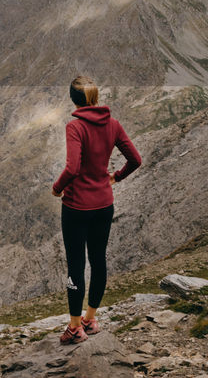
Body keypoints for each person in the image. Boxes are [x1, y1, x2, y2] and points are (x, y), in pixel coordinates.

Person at [51, 75, 141, 345]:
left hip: (77, 207)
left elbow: (72, 168)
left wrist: (57, 188)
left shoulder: (75, 127)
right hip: (104, 204)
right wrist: (116, 176)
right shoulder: (112, 124)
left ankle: (74, 327)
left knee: (75, 267)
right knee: (99, 260)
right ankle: (90, 318)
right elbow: (135, 159)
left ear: (74, 100)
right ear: (95, 97)